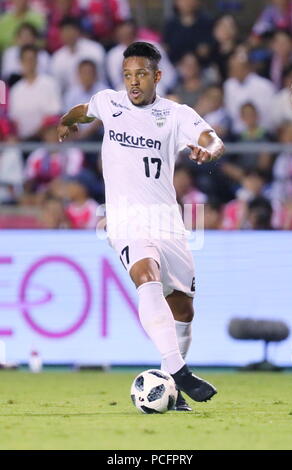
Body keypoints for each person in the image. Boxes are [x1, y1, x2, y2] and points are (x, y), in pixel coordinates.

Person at [58, 41, 224, 410]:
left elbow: (211, 139)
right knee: (145, 274)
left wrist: (206, 150)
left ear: (157, 76)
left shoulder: (176, 114)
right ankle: (179, 372)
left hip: (167, 222)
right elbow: (84, 111)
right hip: (125, 219)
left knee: (182, 308)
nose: (134, 82)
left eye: (142, 74)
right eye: (128, 75)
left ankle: (174, 389)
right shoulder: (108, 102)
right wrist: (66, 121)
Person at [9, 45, 62, 140]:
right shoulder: (15, 89)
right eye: (26, 60)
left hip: (44, 138)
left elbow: (54, 114)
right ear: (20, 62)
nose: (29, 63)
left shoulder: (49, 84)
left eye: (32, 59)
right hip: (21, 140)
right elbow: (13, 118)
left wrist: (37, 133)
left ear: (37, 61)